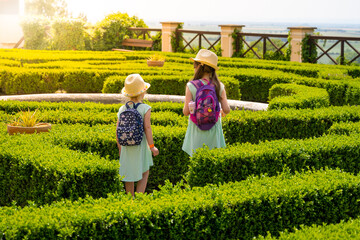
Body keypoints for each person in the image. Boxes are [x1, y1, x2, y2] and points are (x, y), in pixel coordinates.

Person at [116, 74, 159, 196]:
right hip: (141, 146)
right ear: (143, 92)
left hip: (126, 147)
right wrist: (152, 147)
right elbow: (148, 128)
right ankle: (139, 197)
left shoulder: (122, 109)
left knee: (128, 174)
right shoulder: (145, 108)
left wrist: (120, 148)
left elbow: (117, 130)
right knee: (144, 171)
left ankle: (131, 198)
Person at [182, 49, 231, 156]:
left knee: (196, 161)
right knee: (213, 161)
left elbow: (186, 112)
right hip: (214, 129)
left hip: (196, 129)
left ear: (199, 66)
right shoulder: (219, 86)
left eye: (195, 66)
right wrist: (220, 110)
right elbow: (227, 109)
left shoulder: (191, 86)